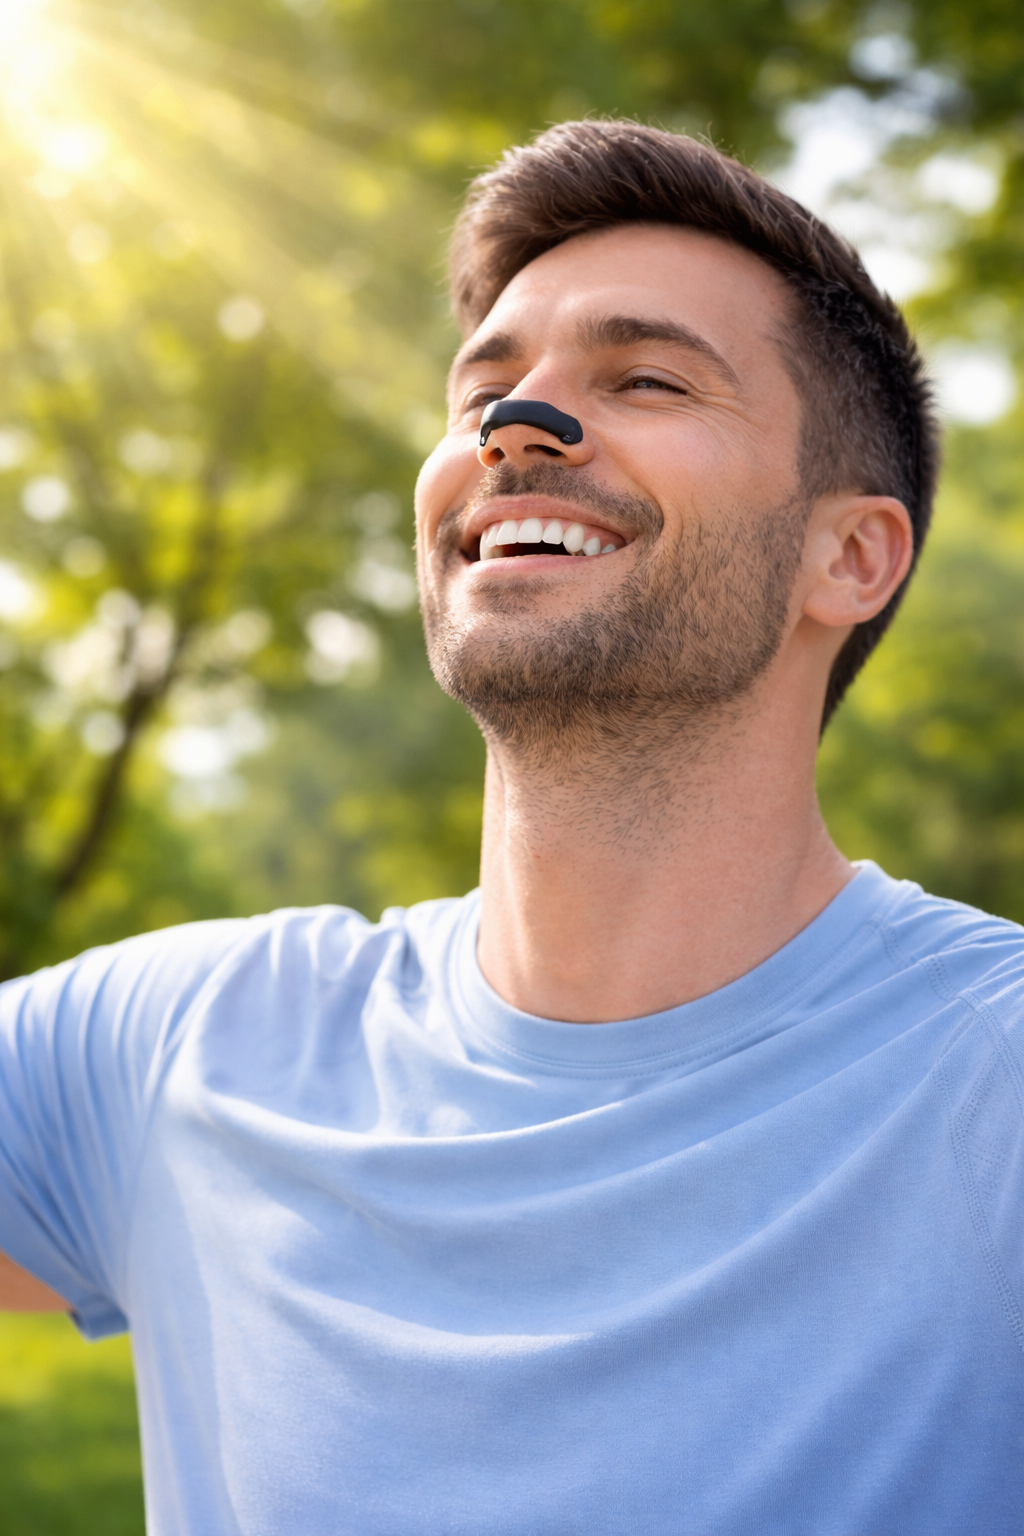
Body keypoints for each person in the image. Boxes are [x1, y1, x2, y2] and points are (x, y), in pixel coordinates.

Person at [1, 121, 1020, 1535]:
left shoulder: (995, 1086)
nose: (511, 424)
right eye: (484, 384)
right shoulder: (175, 1050)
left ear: (847, 554)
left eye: (648, 376)